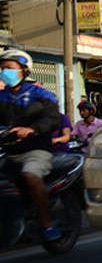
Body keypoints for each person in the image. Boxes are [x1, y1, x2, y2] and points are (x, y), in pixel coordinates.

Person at [0, 48, 63, 240]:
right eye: (2, 69)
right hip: (8, 151)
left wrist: (32, 129)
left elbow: (52, 118)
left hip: (35, 150)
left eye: (9, 67)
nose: (5, 72)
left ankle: (46, 223)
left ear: (24, 70)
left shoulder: (40, 94)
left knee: (30, 174)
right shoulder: (1, 96)